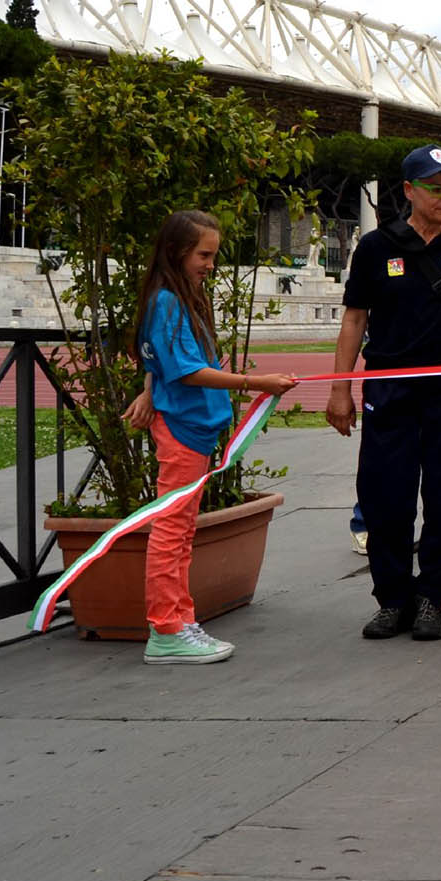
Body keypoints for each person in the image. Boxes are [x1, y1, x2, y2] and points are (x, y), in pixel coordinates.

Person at [327, 145, 441, 642]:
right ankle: (393, 599)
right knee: (385, 499)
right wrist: (342, 389)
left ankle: (431, 598)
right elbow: (355, 319)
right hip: (391, 389)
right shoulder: (378, 248)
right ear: (408, 191)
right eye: (436, 188)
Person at [128, 210, 297, 664]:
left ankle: (178, 621)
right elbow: (183, 369)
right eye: (204, 255)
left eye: (213, 255)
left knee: (180, 531)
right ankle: (166, 627)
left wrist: (148, 390)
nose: (210, 264)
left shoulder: (184, 296)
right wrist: (253, 383)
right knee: (172, 530)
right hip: (184, 427)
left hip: (194, 426)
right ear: (177, 251)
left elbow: (158, 359)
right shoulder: (167, 300)